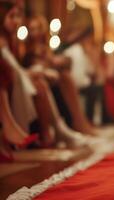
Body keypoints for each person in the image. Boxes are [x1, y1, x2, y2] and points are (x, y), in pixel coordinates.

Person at [0, 1, 38, 161]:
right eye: (11, 17)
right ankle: (9, 128)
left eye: (18, 16)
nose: (16, 21)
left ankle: (9, 131)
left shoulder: (11, 40)